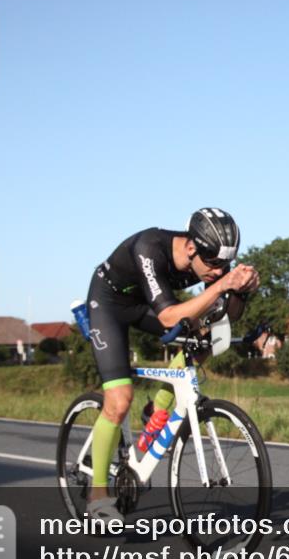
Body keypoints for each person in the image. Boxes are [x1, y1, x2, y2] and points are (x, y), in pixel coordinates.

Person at [84, 208, 259, 521]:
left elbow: (227, 316)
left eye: (224, 265)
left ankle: (158, 411)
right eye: (214, 265)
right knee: (120, 399)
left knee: (205, 338)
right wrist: (222, 286)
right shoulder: (149, 248)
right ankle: (97, 494)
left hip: (144, 306)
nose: (219, 272)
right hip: (109, 304)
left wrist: (242, 293)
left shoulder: (211, 258)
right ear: (192, 248)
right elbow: (167, 317)